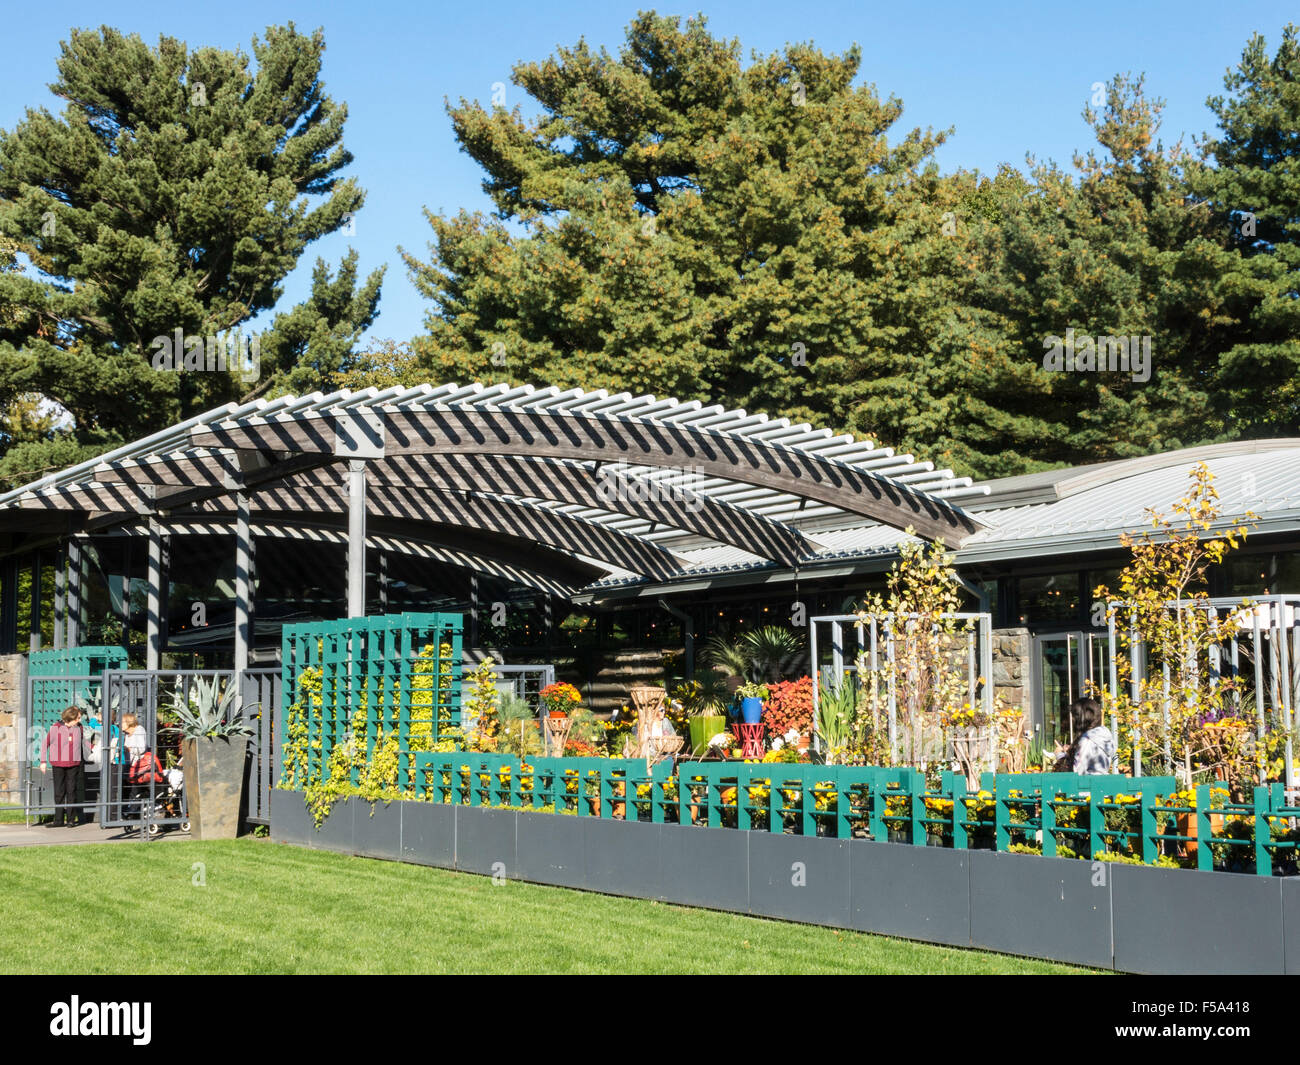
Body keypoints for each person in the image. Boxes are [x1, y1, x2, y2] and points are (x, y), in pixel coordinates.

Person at [39, 707, 87, 827]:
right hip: (58, 764)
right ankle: (58, 820)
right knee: (59, 792)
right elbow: (45, 744)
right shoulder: (56, 727)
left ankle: (71, 819)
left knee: (71, 791)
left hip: (74, 764)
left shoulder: (79, 727)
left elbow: (83, 743)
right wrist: (43, 761)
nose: (80, 720)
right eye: (78, 718)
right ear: (71, 718)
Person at [1055, 697, 1115, 775]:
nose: (1072, 719)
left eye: (1074, 715)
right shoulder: (1103, 736)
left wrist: (1060, 755)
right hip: (1101, 784)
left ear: (1081, 718)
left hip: (1088, 785)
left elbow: (1077, 771)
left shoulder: (1087, 739)